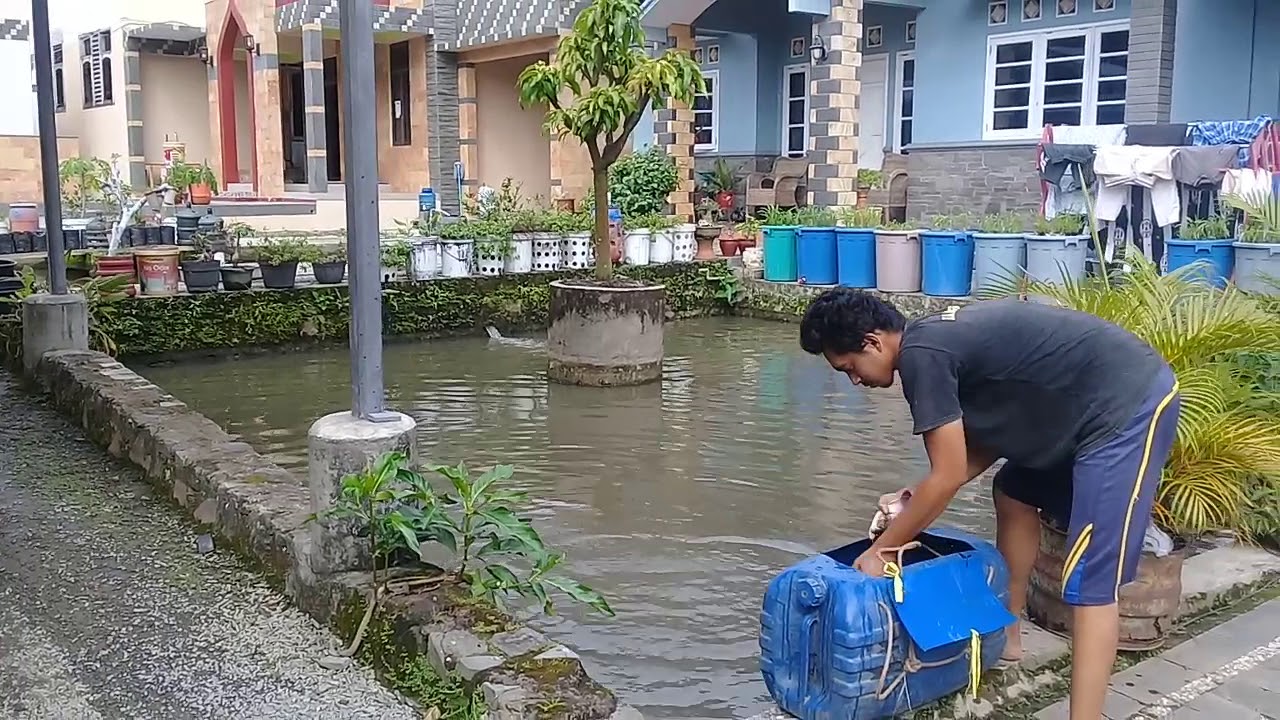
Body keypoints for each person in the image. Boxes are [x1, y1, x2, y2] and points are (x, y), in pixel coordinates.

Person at [798, 288, 1180, 720]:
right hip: (1077, 407)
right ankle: (1009, 636)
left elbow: (946, 478)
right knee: (1015, 490)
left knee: (1091, 581)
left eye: (850, 368)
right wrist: (913, 497)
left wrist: (881, 550)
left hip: (1126, 405)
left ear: (873, 342)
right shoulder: (930, 343)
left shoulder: (922, 358)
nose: (855, 380)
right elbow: (973, 453)